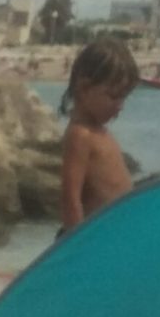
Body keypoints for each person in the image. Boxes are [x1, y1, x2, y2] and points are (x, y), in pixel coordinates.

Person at [59, 38, 139, 231]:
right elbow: (70, 199)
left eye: (124, 98)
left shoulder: (98, 131)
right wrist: (79, 243)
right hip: (92, 237)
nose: (120, 106)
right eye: (113, 96)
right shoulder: (80, 135)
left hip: (114, 233)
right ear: (84, 88)